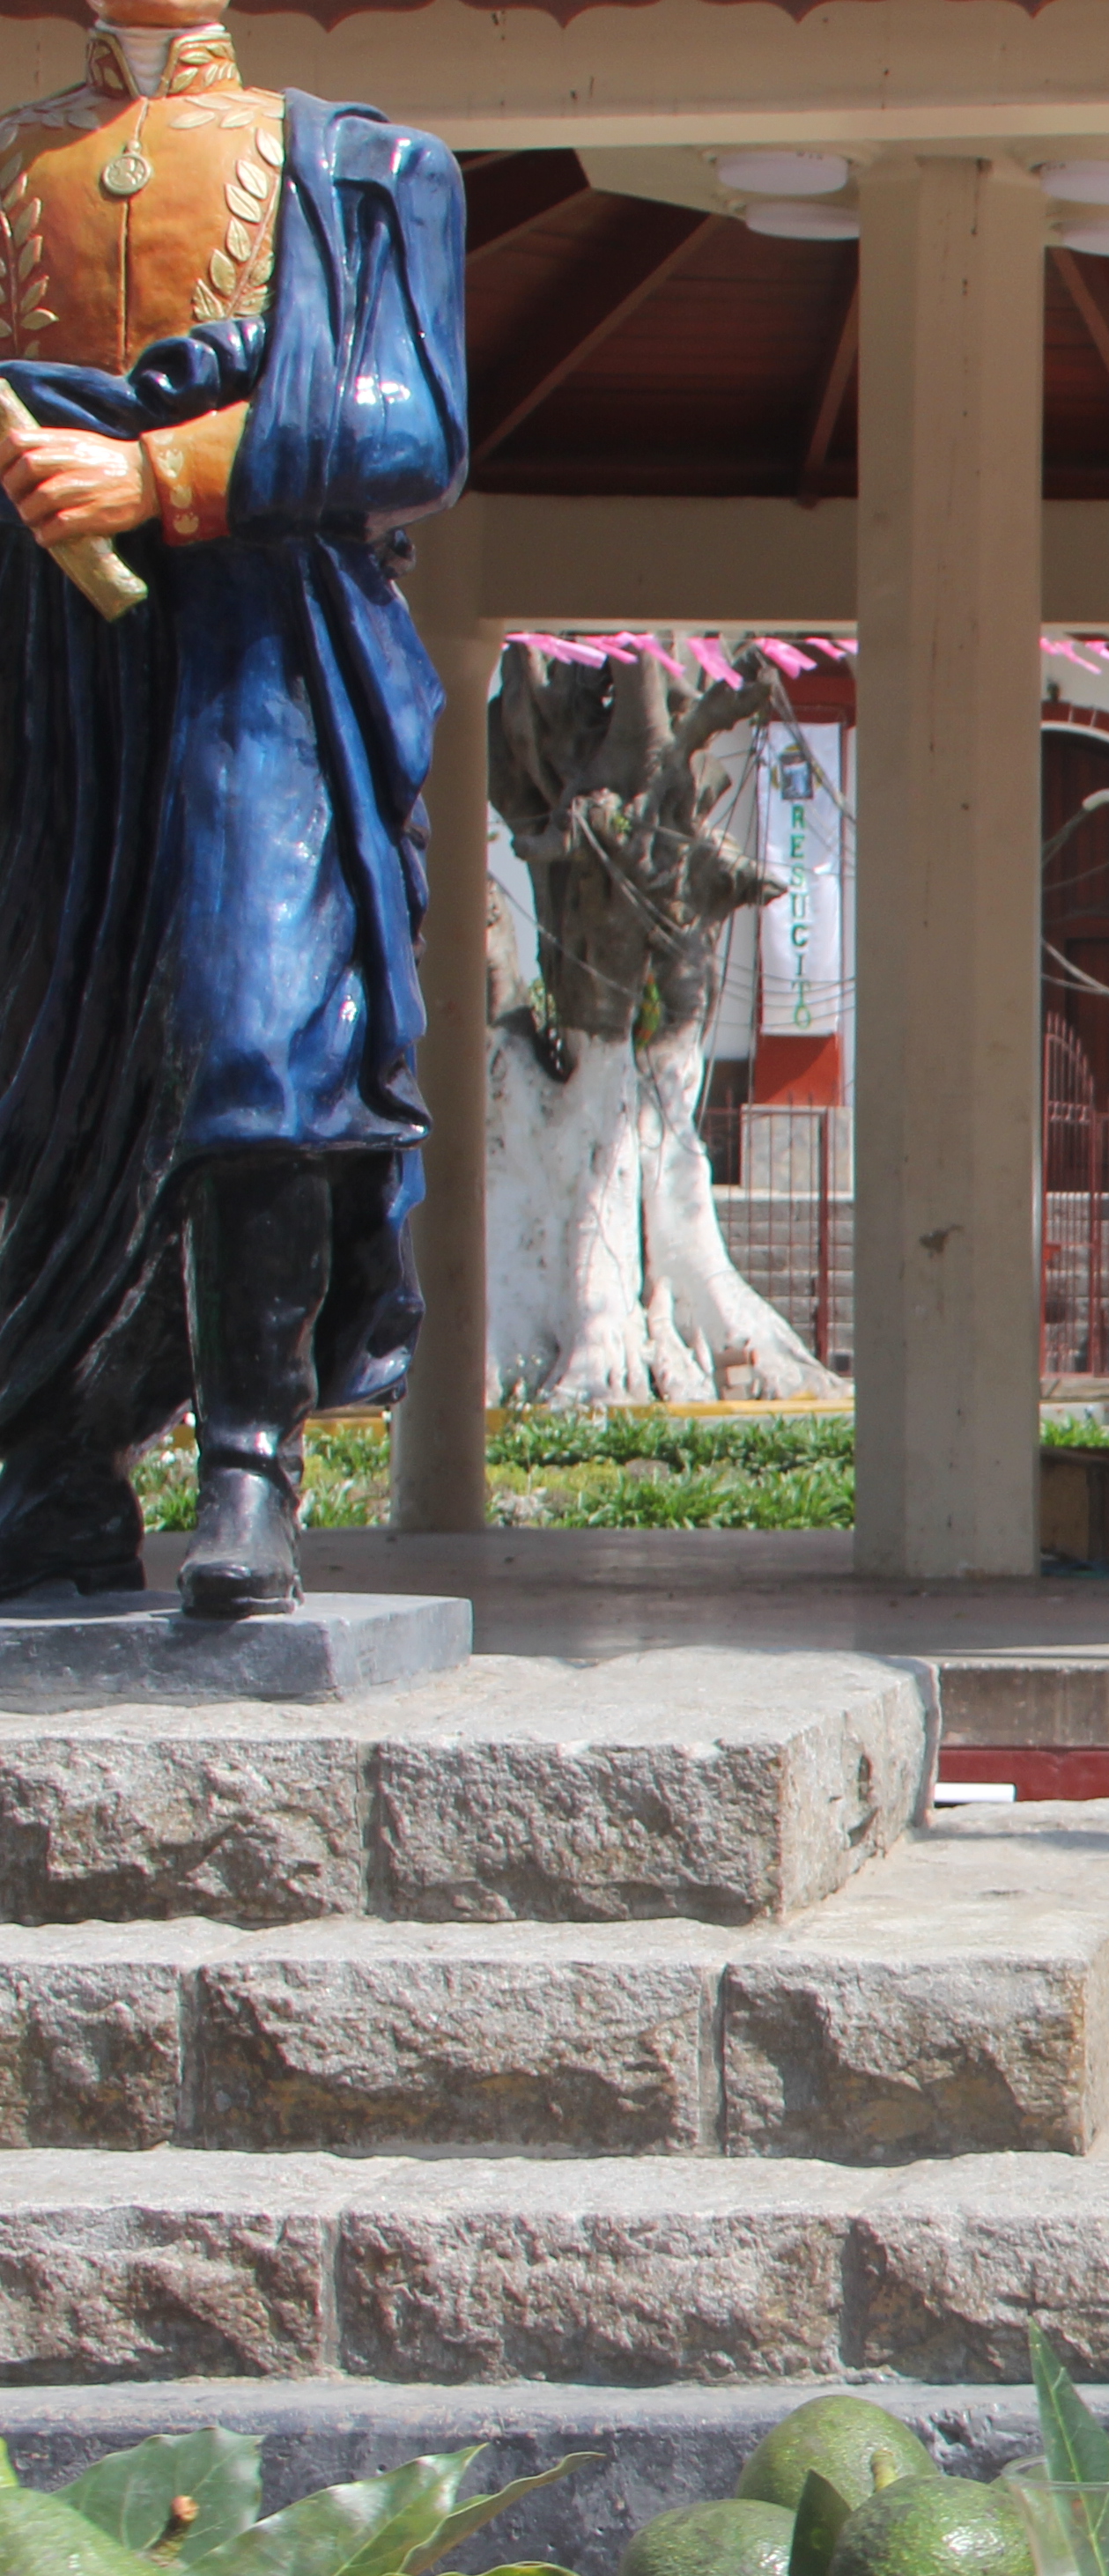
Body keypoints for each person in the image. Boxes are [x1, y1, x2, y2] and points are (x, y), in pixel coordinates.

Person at [0, 0, 465, 1614]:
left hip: (261, 648)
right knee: (44, 1064)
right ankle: (48, 1458)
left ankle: (250, 1467)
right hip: (48, 669)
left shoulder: (359, 166)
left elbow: (410, 416)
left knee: (259, 1019)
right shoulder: (15, 162)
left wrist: (158, 475)